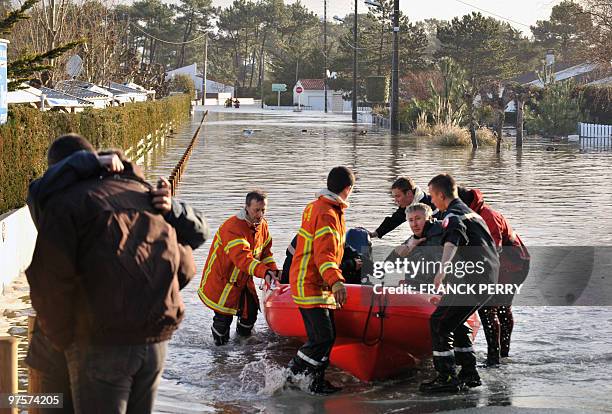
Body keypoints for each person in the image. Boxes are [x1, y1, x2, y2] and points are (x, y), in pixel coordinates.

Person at [26, 134, 208, 414]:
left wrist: (67, 338)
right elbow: (187, 263)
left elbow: (46, 281)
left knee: (43, 403)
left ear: (60, 170)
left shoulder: (64, 203)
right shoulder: (145, 196)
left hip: (91, 345)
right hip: (153, 340)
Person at [419, 174, 500, 393]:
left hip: (473, 280)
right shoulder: (472, 213)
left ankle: (446, 377)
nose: (431, 201)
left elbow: (452, 240)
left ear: (441, 195)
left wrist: (442, 271)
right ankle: (469, 372)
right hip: (486, 279)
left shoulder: (453, 215)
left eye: (432, 196)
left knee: (438, 323)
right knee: (456, 323)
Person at [288, 166, 354, 395]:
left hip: (313, 281)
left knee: (326, 337)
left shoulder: (318, 206)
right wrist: (337, 281)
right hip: (311, 282)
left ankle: (315, 382)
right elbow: (324, 254)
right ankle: (292, 375)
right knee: (322, 338)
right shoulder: (327, 213)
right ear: (348, 189)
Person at [458, 187, 530, 366]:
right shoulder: (467, 214)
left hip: (513, 264)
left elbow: (492, 252)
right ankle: (500, 355)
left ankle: (495, 357)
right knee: (496, 308)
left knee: (491, 307)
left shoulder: (488, 216)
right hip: (501, 262)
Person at [197, 190, 280, 346]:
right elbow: (243, 259)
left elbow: (266, 254)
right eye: (257, 210)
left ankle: (243, 343)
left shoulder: (263, 226)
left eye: (263, 210)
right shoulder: (233, 228)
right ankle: (220, 354)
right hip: (223, 281)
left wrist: (273, 271)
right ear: (246, 207)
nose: (260, 214)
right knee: (223, 322)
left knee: (251, 315)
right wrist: (264, 271)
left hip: (242, 279)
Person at [386, 203, 444, 286]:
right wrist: (398, 254)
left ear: (429, 218)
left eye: (418, 218)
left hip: (439, 290)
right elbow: (387, 268)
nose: (414, 224)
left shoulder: (445, 233)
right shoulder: (411, 241)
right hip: (413, 290)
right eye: (411, 220)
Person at [368, 177, 438, 239]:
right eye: (394, 197)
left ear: (409, 193)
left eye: (398, 196)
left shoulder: (427, 205)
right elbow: (395, 219)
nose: (395, 200)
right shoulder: (409, 203)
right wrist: (376, 233)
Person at [281, 232, 363, 285]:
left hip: (292, 279)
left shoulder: (310, 232)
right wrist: (350, 264)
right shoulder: (324, 237)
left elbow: (348, 251)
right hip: (302, 284)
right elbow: (323, 267)